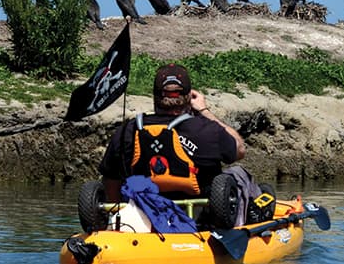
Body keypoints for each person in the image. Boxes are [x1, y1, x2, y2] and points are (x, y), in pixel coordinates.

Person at [99, 63, 246, 204]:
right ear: (189, 96)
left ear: (155, 97)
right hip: (198, 216)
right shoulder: (207, 130)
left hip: (143, 214)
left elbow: (111, 178)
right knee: (238, 174)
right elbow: (239, 149)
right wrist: (203, 110)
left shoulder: (128, 130)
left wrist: (116, 215)